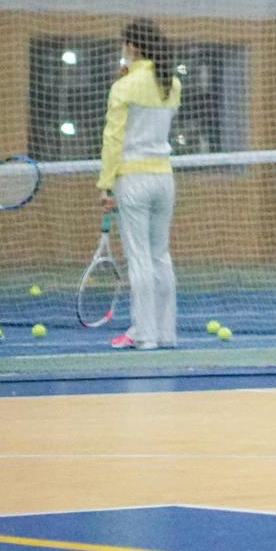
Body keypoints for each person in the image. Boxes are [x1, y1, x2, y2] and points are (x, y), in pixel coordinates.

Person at [98, 20, 181, 351]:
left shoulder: (124, 87)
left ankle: (144, 334)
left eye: (124, 44)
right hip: (164, 179)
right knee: (160, 255)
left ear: (132, 46)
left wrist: (105, 184)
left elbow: (113, 138)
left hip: (132, 179)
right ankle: (166, 333)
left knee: (139, 258)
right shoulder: (172, 84)